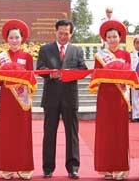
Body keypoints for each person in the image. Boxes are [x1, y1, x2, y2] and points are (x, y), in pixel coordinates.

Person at [36, 19, 87, 179]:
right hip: (51, 97)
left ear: (71, 34)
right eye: (60, 33)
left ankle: (73, 168)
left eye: (66, 33)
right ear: (55, 32)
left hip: (70, 97)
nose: (63, 36)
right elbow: (40, 69)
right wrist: (50, 73)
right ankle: (48, 168)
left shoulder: (77, 51)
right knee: (49, 133)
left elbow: (83, 69)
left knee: (72, 133)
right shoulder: (45, 49)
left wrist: (71, 72)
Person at [0, 19, 34, 180]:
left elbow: (32, 78)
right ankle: (7, 168)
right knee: (6, 132)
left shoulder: (27, 57)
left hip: (22, 100)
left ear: (22, 38)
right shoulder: (0, 58)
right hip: (6, 99)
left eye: (17, 37)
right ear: (7, 39)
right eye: (11, 38)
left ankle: (24, 168)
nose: (14, 41)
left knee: (23, 133)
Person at [94, 20, 131, 180]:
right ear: (105, 39)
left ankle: (120, 169)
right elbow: (95, 76)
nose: (112, 39)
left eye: (115, 36)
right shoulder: (100, 56)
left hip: (120, 97)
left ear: (120, 37)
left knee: (120, 131)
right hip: (105, 97)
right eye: (109, 37)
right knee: (106, 132)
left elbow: (130, 75)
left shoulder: (126, 54)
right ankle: (106, 169)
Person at [130, 35, 139, 121]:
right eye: (137, 43)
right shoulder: (130, 55)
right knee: (135, 98)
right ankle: (136, 116)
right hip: (135, 78)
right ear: (134, 44)